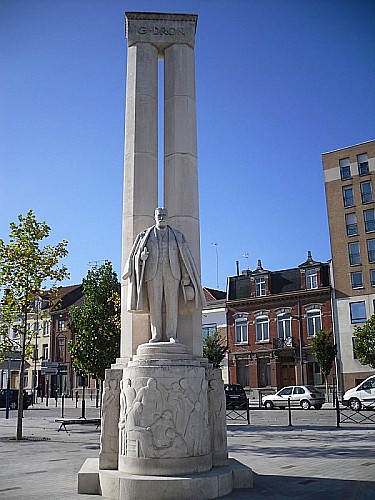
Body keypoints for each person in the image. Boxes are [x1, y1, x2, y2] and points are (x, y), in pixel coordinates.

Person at [123, 207, 205, 342]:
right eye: (159, 215)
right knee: (155, 306)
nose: (161, 218)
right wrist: (141, 257)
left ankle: (171, 334)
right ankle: (156, 335)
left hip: (172, 274)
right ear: (155, 217)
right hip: (152, 274)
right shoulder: (146, 236)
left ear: (167, 217)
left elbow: (182, 257)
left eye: (164, 215)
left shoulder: (176, 236)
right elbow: (135, 256)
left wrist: (185, 276)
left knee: (172, 305)